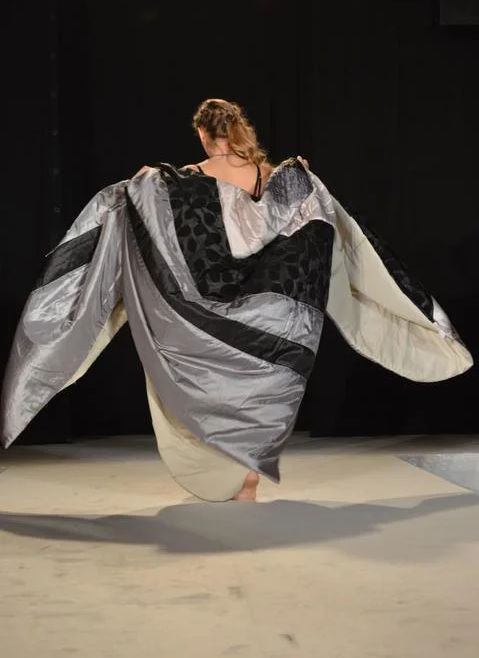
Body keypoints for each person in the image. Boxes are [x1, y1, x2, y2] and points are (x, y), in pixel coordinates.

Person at [0, 99, 473, 503]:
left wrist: (144, 179)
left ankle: (232, 472)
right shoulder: (274, 177)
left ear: (205, 135)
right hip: (272, 312)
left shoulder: (184, 180)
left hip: (205, 313)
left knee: (214, 388)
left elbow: (158, 208)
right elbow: (293, 219)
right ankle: (248, 472)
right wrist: (298, 174)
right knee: (258, 388)